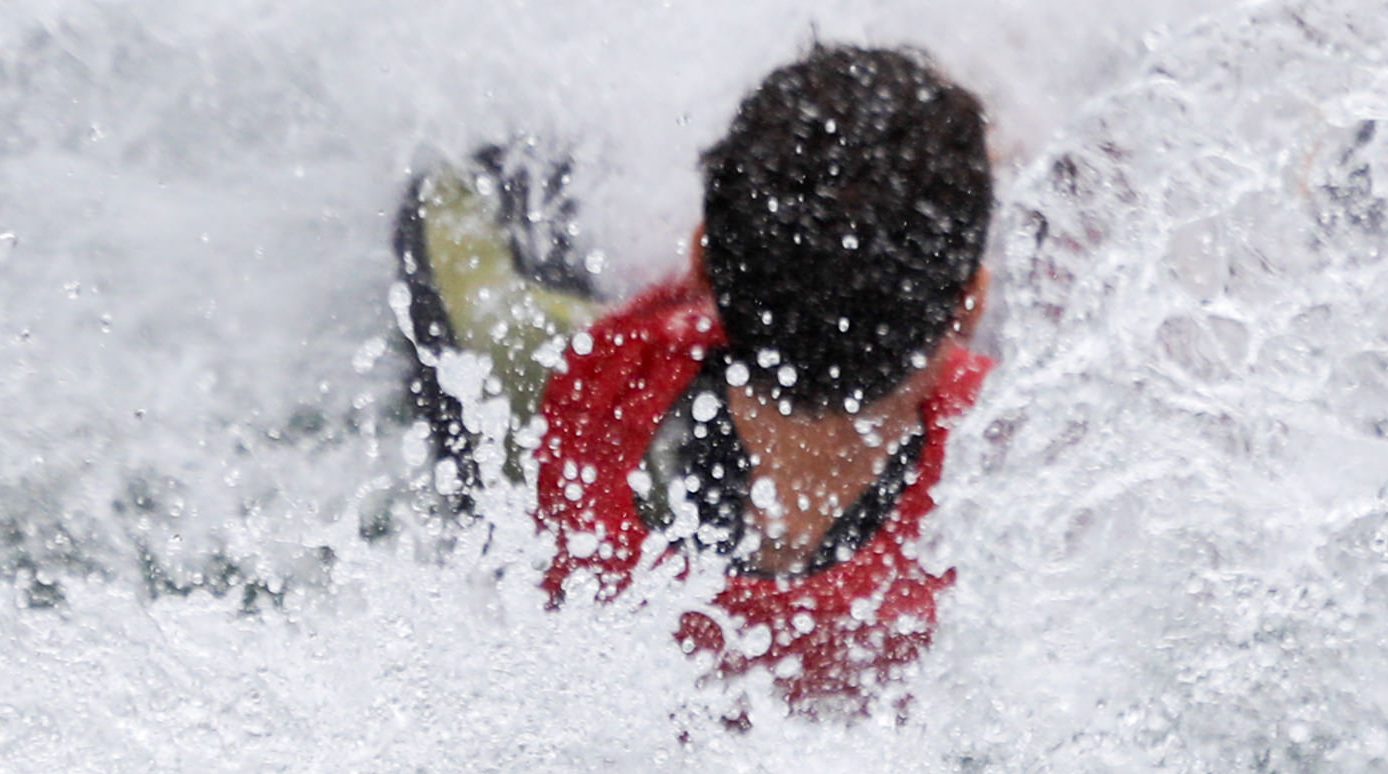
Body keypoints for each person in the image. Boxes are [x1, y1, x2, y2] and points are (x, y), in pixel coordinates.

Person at [395, 45, 995, 720]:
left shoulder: (599, 382)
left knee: (446, 198)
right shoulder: (1007, 452)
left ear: (700, 261)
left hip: (567, 477)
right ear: (972, 304)